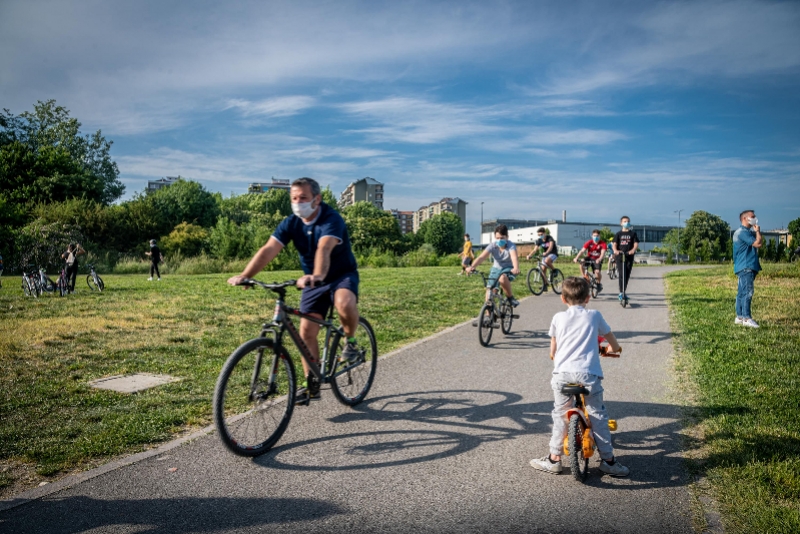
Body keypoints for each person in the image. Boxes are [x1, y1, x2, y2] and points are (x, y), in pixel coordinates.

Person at [228, 177, 360, 403]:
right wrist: (246, 276)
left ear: (317, 199)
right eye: (294, 198)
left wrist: (317, 275)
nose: (298, 202)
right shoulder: (291, 223)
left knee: (344, 303)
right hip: (311, 281)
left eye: (303, 198)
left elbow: (324, 248)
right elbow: (269, 249)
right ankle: (312, 385)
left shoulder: (331, 218)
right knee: (306, 331)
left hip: (339, 275)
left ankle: (350, 342)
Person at [529, 276, 629, 477]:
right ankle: (608, 461)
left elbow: (553, 350)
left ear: (563, 299)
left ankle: (554, 459)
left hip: (562, 376)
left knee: (560, 414)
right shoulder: (595, 316)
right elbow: (613, 341)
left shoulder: (558, 318)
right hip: (588, 375)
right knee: (597, 414)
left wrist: (555, 355)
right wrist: (613, 349)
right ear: (588, 297)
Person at [467, 224, 521, 307]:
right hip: (496, 269)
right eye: (497, 238)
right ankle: (488, 316)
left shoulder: (511, 246)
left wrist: (516, 268)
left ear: (507, 237)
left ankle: (510, 298)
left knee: (502, 278)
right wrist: (472, 266)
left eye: (502, 238)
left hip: (508, 269)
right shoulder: (493, 245)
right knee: (489, 291)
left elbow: (514, 257)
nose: (499, 240)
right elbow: (481, 257)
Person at [733, 210, 762, 328]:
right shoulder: (743, 233)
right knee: (747, 293)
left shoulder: (743, 232)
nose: (755, 218)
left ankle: (739, 316)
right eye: (752, 216)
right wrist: (758, 231)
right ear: (745, 219)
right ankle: (747, 318)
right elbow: (758, 244)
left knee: (741, 293)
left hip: (742, 266)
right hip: (746, 266)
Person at [612, 216, 639, 301]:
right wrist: (615, 250)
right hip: (620, 255)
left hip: (629, 256)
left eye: (628, 221)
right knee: (621, 274)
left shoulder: (633, 234)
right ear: (621, 223)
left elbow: (636, 244)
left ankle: (624, 292)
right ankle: (621, 292)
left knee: (627, 274)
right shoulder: (618, 234)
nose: (626, 223)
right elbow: (614, 244)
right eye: (624, 221)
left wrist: (633, 250)